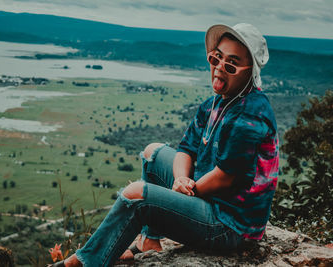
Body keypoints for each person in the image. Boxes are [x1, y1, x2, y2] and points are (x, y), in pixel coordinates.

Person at [52, 22, 279, 267]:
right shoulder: (215, 103)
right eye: (216, 58)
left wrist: (180, 193)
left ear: (250, 71)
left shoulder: (250, 115)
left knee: (136, 195)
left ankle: (84, 262)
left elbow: (225, 177)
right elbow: (186, 149)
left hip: (229, 226)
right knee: (152, 153)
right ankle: (149, 241)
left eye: (232, 64)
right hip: (209, 198)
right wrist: (181, 179)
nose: (220, 68)